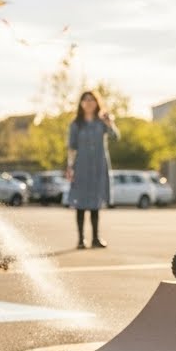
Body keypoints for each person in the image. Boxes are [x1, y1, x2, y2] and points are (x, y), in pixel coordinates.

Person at [66, 90, 117, 249]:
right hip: (81, 167)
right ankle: (81, 240)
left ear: (97, 102)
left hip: (98, 167)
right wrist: (69, 167)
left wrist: (110, 123)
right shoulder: (76, 124)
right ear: (81, 103)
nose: (88, 102)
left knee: (95, 203)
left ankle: (96, 238)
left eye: (92, 100)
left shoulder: (102, 122)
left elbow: (116, 137)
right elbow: (72, 148)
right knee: (80, 203)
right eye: (85, 100)